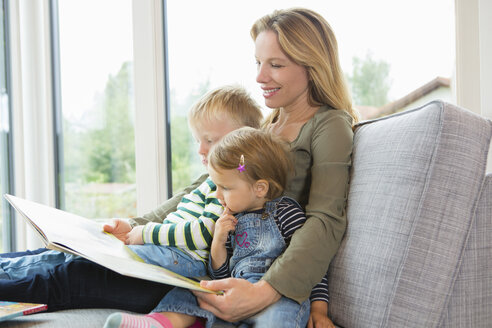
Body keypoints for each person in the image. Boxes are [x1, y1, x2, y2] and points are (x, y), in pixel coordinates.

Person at [0, 85, 263, 312]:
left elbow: (203, 233)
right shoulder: (210, 181)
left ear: (241, 141)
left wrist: (144, 233)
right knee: (55, 255)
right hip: (164, 251)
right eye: (197, 140)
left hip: (176, 261)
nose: (200, 150)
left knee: (69, 269)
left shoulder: (229, 188)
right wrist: (135, 229)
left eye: (210, 141)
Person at [190, 7, 358, 328]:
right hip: (227, 258)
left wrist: (264, 292)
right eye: (258, 63)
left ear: (313, 67)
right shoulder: (266, 128)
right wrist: (141, 224)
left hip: (269, 275)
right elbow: (225, 178)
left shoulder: (330, 125)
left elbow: (325, 220)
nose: (259, 77)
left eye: (276, 65)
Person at [105, 127, 330, 328]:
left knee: (277, 319)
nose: (217, 194)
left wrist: (320, 309)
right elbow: (219, 273)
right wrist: (218, 242)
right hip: (231, 291)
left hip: (277, 298)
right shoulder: (228, 217)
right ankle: (159, 323)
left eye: (225, 187)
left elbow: (311, 267)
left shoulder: (287, 212)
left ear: (260, 188)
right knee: (190, 291)